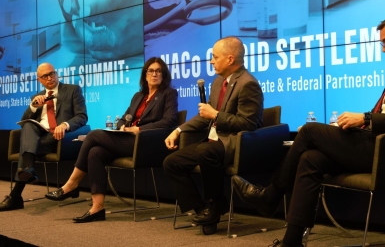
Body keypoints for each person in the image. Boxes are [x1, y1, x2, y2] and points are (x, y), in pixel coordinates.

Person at [232, 21, 385, 247]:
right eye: (381, 43)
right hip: (371, 144)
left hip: (379, 152)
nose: (382, 49)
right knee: (310, 159)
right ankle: (292, 241)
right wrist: (360, 124)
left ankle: (270, 196)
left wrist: (365, 118)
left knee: (310, 131)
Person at [45, 57, 178, 223]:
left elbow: (170, 121)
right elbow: (124, 117)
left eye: (159, 71)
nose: (155, 74)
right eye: (151, 71)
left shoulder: (169, 94)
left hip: (147, 142)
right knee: (95, 152)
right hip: (128, 139)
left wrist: (139, 129)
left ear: (164, 75)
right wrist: (122, 126)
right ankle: (97, 208)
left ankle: (71, 184)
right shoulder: (139, 96)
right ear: (145, 75)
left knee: (94, 135)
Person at [163, 36, 264, 234]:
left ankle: (216, 203)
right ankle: (205, 209)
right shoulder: (219, 82)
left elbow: (249, 124)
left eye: (214, 57)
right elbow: (204, 116)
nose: (211, 61)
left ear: (230, 59)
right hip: (213, 141)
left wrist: (216, 115)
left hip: (234, 143)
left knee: (205, 150)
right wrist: (178, 130)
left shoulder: (248, 84)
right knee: (171, 162)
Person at [0, 62, 88, 212]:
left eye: (52, 73)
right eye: (45, 76)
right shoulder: (37, 97)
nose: (50, 78)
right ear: (39, 79)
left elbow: (82, 116)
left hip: (60, 136)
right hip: (39, 136)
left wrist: (65, 124)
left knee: (27, 146)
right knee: (28, 126)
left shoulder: (72, 90)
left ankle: (16, 193)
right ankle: (27, 168)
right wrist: (34, 107)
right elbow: (24, 121)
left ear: (56, 73)